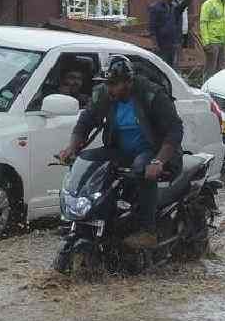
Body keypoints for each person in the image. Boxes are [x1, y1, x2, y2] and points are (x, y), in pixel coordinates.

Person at [55, 56, 184, 270]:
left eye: (114, 84)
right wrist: (72, 148)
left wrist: (159, 161)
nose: (110, 89)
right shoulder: (104, 96)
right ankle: (94, 217)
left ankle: (147, 230)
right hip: (120, 151)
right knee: (87, 159)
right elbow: (85, 123)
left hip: (151, 151)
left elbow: (174, 130)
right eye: (107, 84)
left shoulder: (152, 95)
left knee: (141, 168)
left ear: (128, 82)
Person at [147, 0, 181, 66]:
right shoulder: (155, 7)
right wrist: (155, 44)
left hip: (171, 43)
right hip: (161, 44)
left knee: (171, 67)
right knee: (162, 67)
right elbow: (152, 28)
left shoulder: (172, 6)